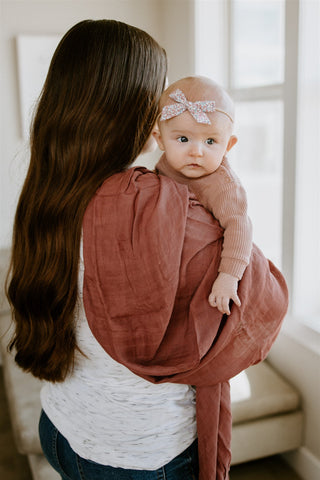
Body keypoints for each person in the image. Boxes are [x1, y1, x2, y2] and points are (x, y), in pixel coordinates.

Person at [6, 19, 288, 480]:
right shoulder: (148, 203)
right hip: (138, 453)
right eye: (160, 97)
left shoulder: (47, 188)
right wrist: (218, 180)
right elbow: (267, 304)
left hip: (59, 425)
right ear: (133, 107)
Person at [153, 76, 252, 316]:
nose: (196, 152)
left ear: (228, 145)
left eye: (210, 141)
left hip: (216, 270)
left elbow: (240, 226)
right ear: (160, 139)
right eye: (183, 139)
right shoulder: (166, 166)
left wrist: (229, 276)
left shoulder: (223, 185)